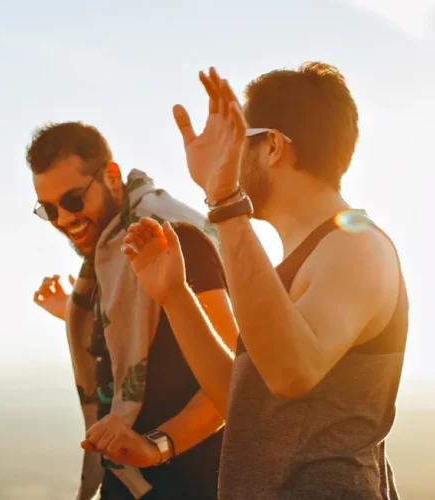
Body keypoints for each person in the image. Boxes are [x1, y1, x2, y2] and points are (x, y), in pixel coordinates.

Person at [117, 63, 408, 499]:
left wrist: (223, 199)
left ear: (272, 146)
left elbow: (292, 372)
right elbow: (246, 402)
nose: (228, 160)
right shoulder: (301, 259)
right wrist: (175, 295)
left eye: (238, 143)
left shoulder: (355, 246)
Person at [28, 122, 238, 500]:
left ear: (110, 176)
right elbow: (147, 334)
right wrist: (73, 312)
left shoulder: (174, 237)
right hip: (128, 478)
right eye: (49, 209)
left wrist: (157, 446)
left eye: (73, 200)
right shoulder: (111, 253)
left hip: (186, 480)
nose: (63, 219)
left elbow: (233, 381)